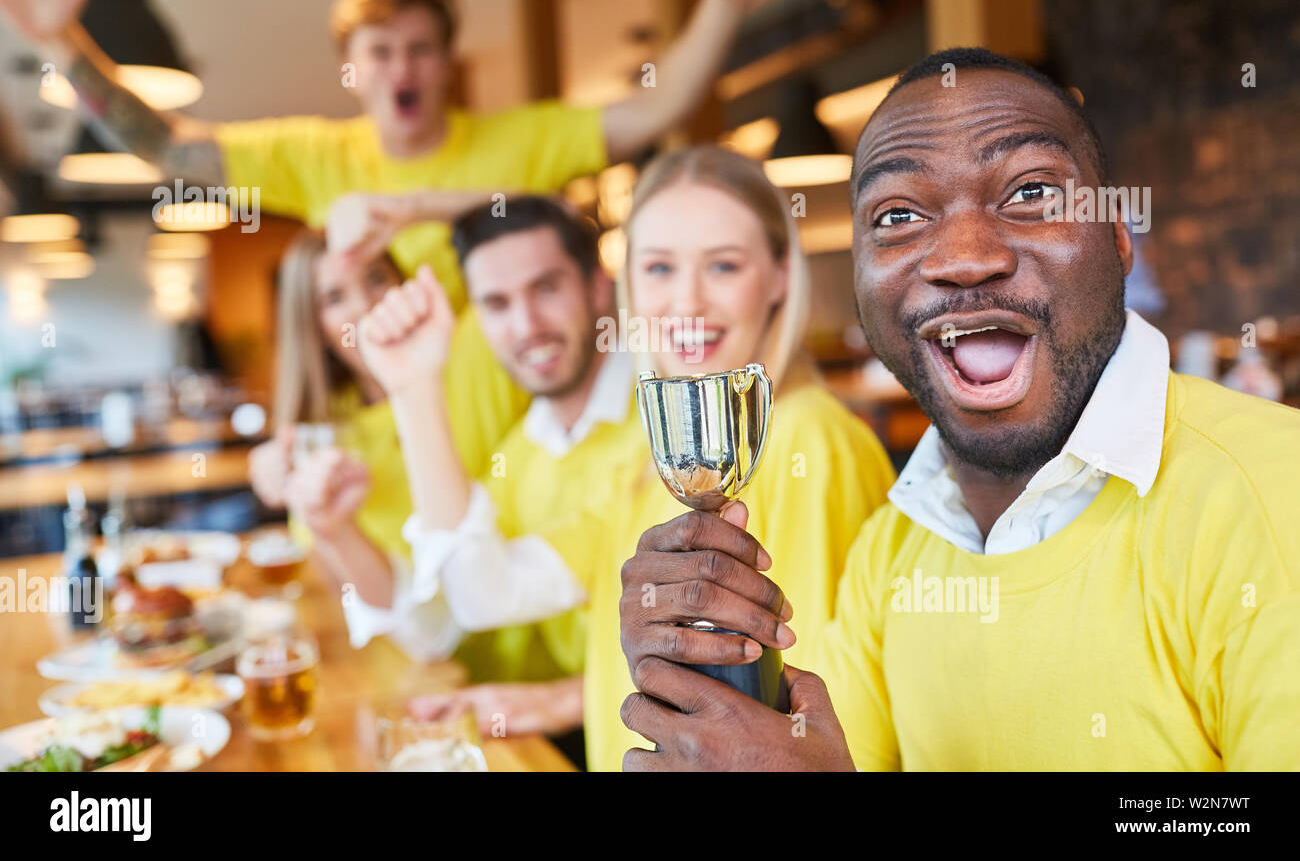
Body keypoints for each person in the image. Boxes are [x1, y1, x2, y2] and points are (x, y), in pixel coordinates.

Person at [615, 48, 1300, 771]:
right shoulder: (892, 552)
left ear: (1119, 235)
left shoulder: (1273, 489)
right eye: (900, 213)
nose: (964, 257)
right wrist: (697, 664)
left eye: (1031, 193)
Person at [0, 0, 789, 493]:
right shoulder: (313, 154)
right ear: (352, 66)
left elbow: (656, 110)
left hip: (536, 456)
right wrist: (56, 46)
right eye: (380, 52)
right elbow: (169, 147)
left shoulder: (520, 140)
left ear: (446, 62)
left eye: (420, 49)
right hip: (400, 457)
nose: (401, 69)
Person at [360, 145, 897, 770]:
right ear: (629, 285)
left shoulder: (810, 438)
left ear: (780, 276)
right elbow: (484, 594)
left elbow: (813, 716)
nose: (686, 302)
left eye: (723, 266)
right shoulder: (649, 462)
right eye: (660, 269)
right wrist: (413, 386)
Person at [346, 196, 646, 714]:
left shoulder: (663, 425)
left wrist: (415, 390)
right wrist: (335, 527)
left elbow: (485, 596)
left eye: (546, 288)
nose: (527, 325)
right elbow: (441, 622)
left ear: (598, 285)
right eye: (497, 304)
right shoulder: (526, 449)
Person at [246, 233, 525, 664]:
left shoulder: (470, 351)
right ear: (314, 326)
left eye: (377, 278)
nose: (365, 305)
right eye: (334, 297)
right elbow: (373, 606)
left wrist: (405, 210)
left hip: (537, 645)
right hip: (428, 665)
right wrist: (328, 523)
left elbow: (528, 212)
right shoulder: (321, 436)